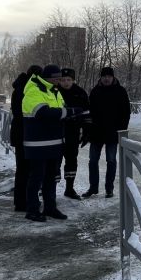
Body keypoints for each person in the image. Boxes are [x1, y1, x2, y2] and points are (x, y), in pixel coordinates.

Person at [21, 64, 87, 222]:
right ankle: (32, 210)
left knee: (50, 178)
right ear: (49, 78)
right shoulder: (34, 90)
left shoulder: (54, 91)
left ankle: (50, 207)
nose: (59, 81)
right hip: (38, 144)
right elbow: (42, 112)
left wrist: (77, 115)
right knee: (36, 178)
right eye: (57, 78)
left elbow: (61, 111)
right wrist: (70, 112)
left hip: (54, 143)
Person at [85, 67, 131, 199]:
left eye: (109, 76)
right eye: (104, 76)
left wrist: (121, 130)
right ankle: (93, 187)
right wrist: (89, 130)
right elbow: (90, 112)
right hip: (96, 133)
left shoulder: (120, 91)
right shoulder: (95, 91)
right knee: (93, 161)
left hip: (113, 133)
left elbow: (126, 112)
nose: (106, 78)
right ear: (100, 77)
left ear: (113, 77)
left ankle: (109, 189)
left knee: (111, 161)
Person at [9, 65, 41, 211]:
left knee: (22, 169)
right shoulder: (28, 89)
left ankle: (20, 201)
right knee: (27, 170)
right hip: (26, 134)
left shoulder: (19, 87)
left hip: (19, 133)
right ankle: (25, 201)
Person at [56, 67, 91, 200]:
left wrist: (87, 131)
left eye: (68, 80)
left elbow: (87, 113)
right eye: (63, 80)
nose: (66, 82)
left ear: (73, 80)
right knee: (55, 161)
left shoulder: (80, 93)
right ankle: (50, 189)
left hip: (73, 132)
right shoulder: (54, 91)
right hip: (57, 132)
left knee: (71, 160)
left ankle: (69, 188)